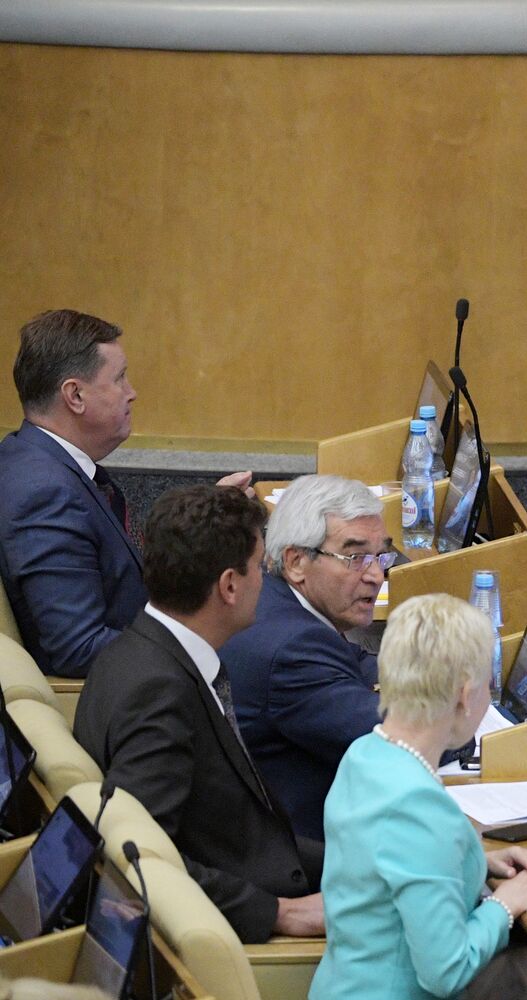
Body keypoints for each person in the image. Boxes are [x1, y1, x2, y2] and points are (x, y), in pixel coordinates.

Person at [74, 485, 325, 943]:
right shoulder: (159, 691)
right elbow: (136, 859)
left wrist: (393, 866)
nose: (264, 582)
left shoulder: (140, 650)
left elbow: (236, 833)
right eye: (258, 569)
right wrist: (278, 913)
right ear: (229, 585)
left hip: (263, 874)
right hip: (229, 933)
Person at [310, 593, 527, 1000]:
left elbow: (383, 863)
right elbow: (447, 972)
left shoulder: (365, 754)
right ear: (465, 694)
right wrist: (507, 904)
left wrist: (473, 860)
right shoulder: (420, 809)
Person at [0, 309, 251, 677]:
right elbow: (78, 647)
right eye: (119, 378)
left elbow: (114, 570)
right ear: (75, 395)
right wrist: (195, 641)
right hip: (122, 709)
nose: (132, 394)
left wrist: (204, 522)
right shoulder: (46, 494)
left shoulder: (33, 460)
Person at [219, 474, 395, 841]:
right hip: (306, 860)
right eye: (355, 557)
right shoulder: (292, 648)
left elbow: (353, 658)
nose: (376, 575)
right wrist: (458, 704)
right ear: (297, 561)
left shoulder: (273, 597)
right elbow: (401, 742)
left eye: (381, 556)